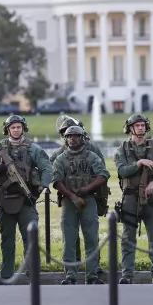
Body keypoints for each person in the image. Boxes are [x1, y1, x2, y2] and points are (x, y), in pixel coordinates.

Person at [0, 115, 53, 283]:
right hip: (5, 200)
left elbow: (47, 169)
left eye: (18, 127)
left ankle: (33, 274)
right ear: (7, 129)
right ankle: (6, 275)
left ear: (23, 128)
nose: (16, 130)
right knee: (7, 240)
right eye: (12, 127)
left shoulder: (33, 149)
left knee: (30, 239)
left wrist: (41, 189)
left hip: (26, 200)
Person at [114, 113, 153, 284]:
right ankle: (127, 275)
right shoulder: (122, 150)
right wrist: (139, 163)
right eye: (137, 125)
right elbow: (122, 171)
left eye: (143, 125)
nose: (140, 128)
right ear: (130, 128)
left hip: (151, 198)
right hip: (130, 198)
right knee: (128, 239)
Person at [50, 115, 107, 278]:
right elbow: (52, 172)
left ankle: (93, 270)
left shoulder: (91, 151)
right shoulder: (61, 154)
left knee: (91, 235)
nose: (71, 139)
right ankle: (71, 272)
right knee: (69, 238)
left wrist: (88, 189)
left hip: (90, 196)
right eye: (68, 135)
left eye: (75, 135)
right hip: (69, 199)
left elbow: (102, 172)